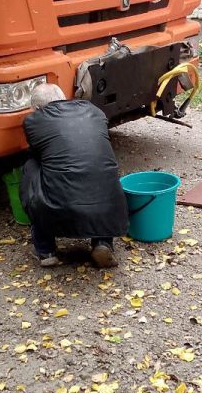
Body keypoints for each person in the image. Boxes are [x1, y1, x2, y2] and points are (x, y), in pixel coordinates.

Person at [20, 84, 128, 268]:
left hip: (61, 205)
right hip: (109, 201)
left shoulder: (33, 121)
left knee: (31, 166)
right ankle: (102, 243)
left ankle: (46, 251)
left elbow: (37, 154)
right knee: (98, 168)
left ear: (37, 108)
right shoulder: (94, 111)